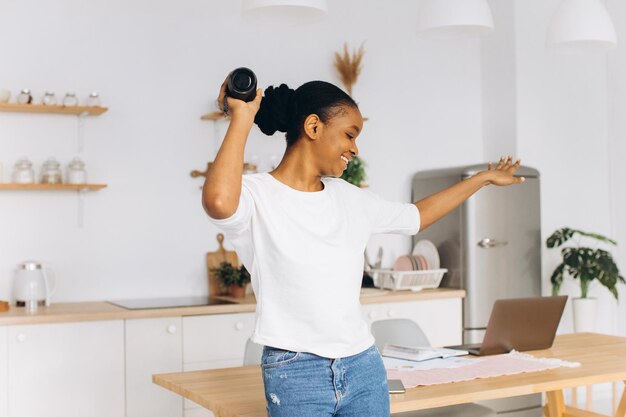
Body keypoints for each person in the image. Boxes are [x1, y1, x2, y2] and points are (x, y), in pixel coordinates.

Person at [202, 74, 524, 417]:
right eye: (349, 135)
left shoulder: (350, 199)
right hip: (296, 371)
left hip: (363, 365)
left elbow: (415, 216)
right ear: (313, 127)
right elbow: (219, 202)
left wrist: (481, 179)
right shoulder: (257, 195)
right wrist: (242, 117)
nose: (354, 149)